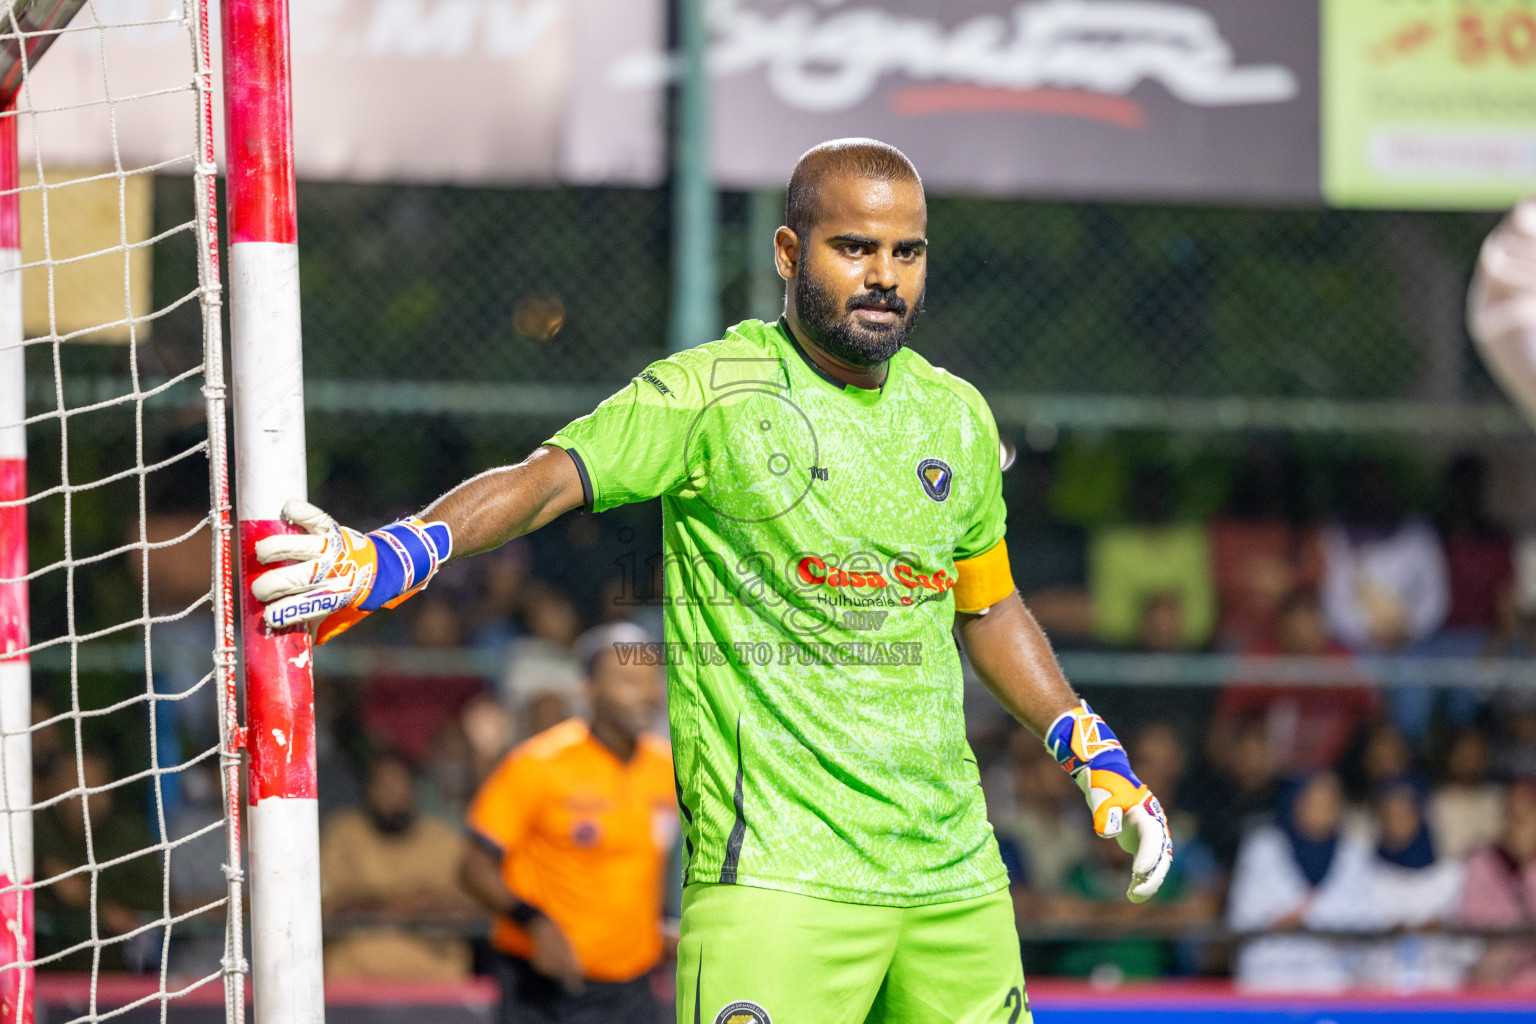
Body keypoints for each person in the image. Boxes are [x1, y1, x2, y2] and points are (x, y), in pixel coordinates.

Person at [248, 137, 1172, 1024]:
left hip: (956, 880)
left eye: (907, 251)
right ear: (788, 250)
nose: (885, 275)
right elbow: (542, 483)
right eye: (854, 247)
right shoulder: (710, 392)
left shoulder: (957, 416)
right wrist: (396, 555)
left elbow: (991, 604)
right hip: (777, 880)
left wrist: (1087, 746)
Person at [460, 622, 674, 1022]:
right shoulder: (538, 764)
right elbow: (473, 866)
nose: (647, 694)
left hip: (636, 988)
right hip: (548, 988)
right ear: (586, 688)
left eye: (652, 681)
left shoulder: (665, 770)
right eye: (629, 681)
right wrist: (535, 923)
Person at [318, 751, 476, 981]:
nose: (391, 795)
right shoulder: (344, 834)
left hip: (435, 972)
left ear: (414, 790)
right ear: (368, 790)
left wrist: (426, 903)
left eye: (398, 785)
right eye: (382, 785)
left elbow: (471, 911)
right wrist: (388, 902)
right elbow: (325, 906)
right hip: (353, 969)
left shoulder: (444, 839)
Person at [1227, 772, 1376, 991]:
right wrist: (1277, 922)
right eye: (1313, 801)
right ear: (1295, 802)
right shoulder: (1263, 846)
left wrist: (1313, 919)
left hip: (1334, 978)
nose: (1321, 810)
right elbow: (1241, 916)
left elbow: (1367, 919)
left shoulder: (1354, 851)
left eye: (1329, 802)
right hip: (1270, 975)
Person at [1460, 778, 1536, 988]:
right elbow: (1477, 927)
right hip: (1496, 992)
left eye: (1521, 819)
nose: (1511, 828)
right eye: (1507, 816)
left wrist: (1528, 868)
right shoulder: (1482, 861)